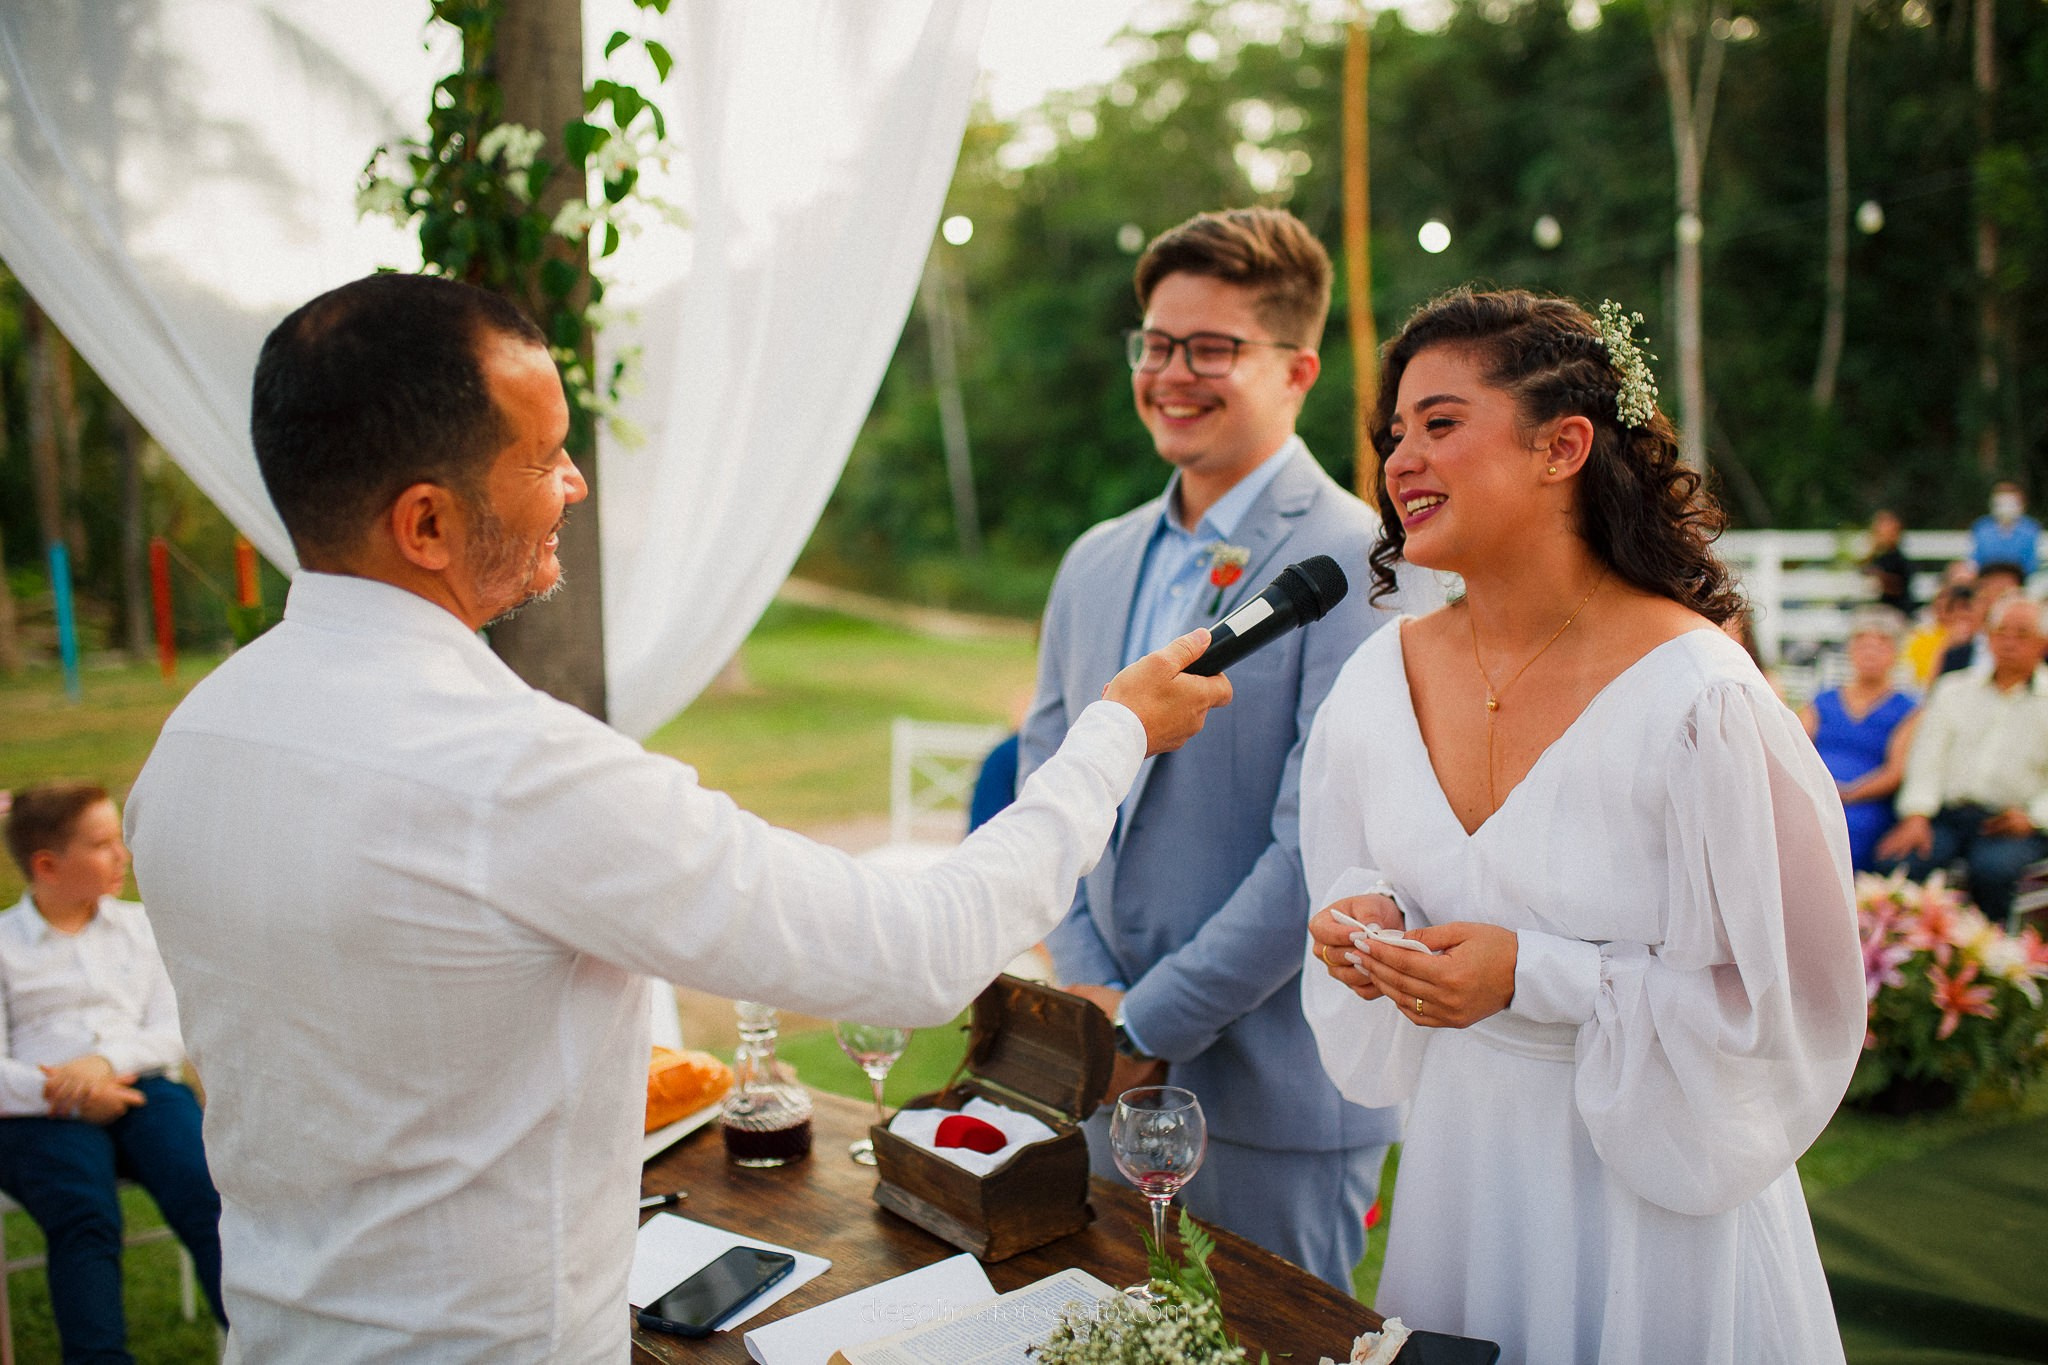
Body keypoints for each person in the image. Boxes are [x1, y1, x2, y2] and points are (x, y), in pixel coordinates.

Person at [122, 272, 1231, 1363]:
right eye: (543, 457)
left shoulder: (192, 746)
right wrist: (1114, 735)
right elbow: (917, 954)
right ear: (426, 522)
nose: (574, 483)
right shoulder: (511, 772)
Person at [1300, 288, 1864, 1364]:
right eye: (1391, 435)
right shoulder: (1379, 679)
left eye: (1439, 423)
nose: (1398, 461)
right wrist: (1359, 924)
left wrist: (1534, 976)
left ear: (1561, 446)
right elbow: (1354, 868)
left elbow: (1781, 1010)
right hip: (1462, 1177)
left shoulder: (1699, 700)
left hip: (1649, 1200)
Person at [1019, 207, 1428, 1290]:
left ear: (1296, 370)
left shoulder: (1360, 562)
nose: (1170, 373)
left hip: (1274, 1095)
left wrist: (1148, 1022)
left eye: (1210, 349)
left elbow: (1323, 848)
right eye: (1155, 344)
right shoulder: (1093, 562)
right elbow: (1047, 777)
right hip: (1102, 1068)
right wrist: (1093, 996)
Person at [0, 782, 226, 1361]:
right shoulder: (5, 946)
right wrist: (70, 1092)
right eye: (102, 844)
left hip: (141, 1087)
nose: (122, 854)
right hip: (39, 1111)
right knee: (84, 1216)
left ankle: (266, 1341)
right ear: (47, 865)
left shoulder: (139, 927)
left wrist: (104, 1066)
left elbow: (173, 1028)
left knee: (206, 1192)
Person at [1876, 594, 2048, 927]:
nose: (2009, 641)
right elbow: (1928, 757)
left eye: (2022, 633)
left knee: (1992, 872)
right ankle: (1904, 964)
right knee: (1898, 864)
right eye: (2001, 631)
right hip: (1949, 817)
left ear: (2042, 642)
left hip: (2014, 825)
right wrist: (1916, 814)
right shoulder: (1954, 689)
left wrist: (2033, 817)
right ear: (1988, 636)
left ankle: (1989, 966)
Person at [1801, 607, 1919, 870]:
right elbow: (1795, 749)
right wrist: (1818, 789)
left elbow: (1895, 770)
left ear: (1896, 654)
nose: (1871, 652)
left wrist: (1848, 794)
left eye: (1882, 645)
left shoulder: (1907, 708)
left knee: (1848, 828)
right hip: (1814, 793)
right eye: (1863, 644)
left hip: (1866, 803)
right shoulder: (1823, 700)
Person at [1937, 560, 2024, 676]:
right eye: (1988, 594)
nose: (1995, 602)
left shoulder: (2040, 649)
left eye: (2004, 594)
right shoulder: (1958, 651)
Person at [1902, 581, 1977, 686]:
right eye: (1954, 608)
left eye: (1966, 607)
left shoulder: (1986, 638)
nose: (1961, 614)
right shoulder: (1922, 636)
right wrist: (1945, 646)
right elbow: (1926, 683)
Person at [1969, 480, 2041, 576]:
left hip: (2021, 579)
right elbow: (1976, 559)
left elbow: (2031, 562)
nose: (2005, 508)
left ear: (2021, 505)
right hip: (1987, 578)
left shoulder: (2030, 529)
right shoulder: (1981, 527)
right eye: (2001, 503)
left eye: (2010, 503)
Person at [1862, 508, 1914, 614]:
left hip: (1895, 610)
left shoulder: (1899, 560)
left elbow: (1899, 588)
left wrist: (1880, 577)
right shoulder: (1875, 558)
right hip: (1875, 609)